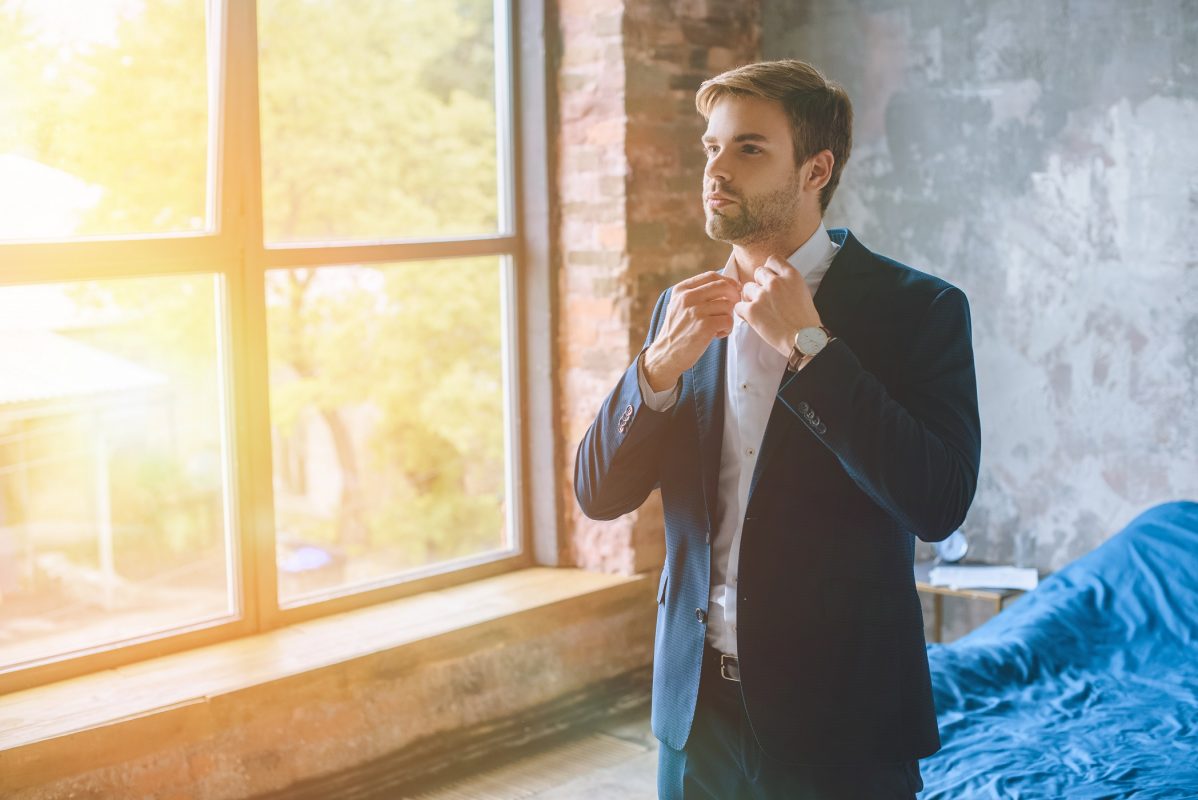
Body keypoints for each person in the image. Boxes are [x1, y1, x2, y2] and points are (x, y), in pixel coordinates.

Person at [573, 59, 981, 799]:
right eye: (711, 146)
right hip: (695, 718)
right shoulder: (680, 309)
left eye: (748, 148)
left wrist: (814, 349)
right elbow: (598, 495)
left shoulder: (919, 310)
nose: (716, 169)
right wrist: (655, 371)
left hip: (841, 728)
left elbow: (938, 500)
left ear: (815, 169)